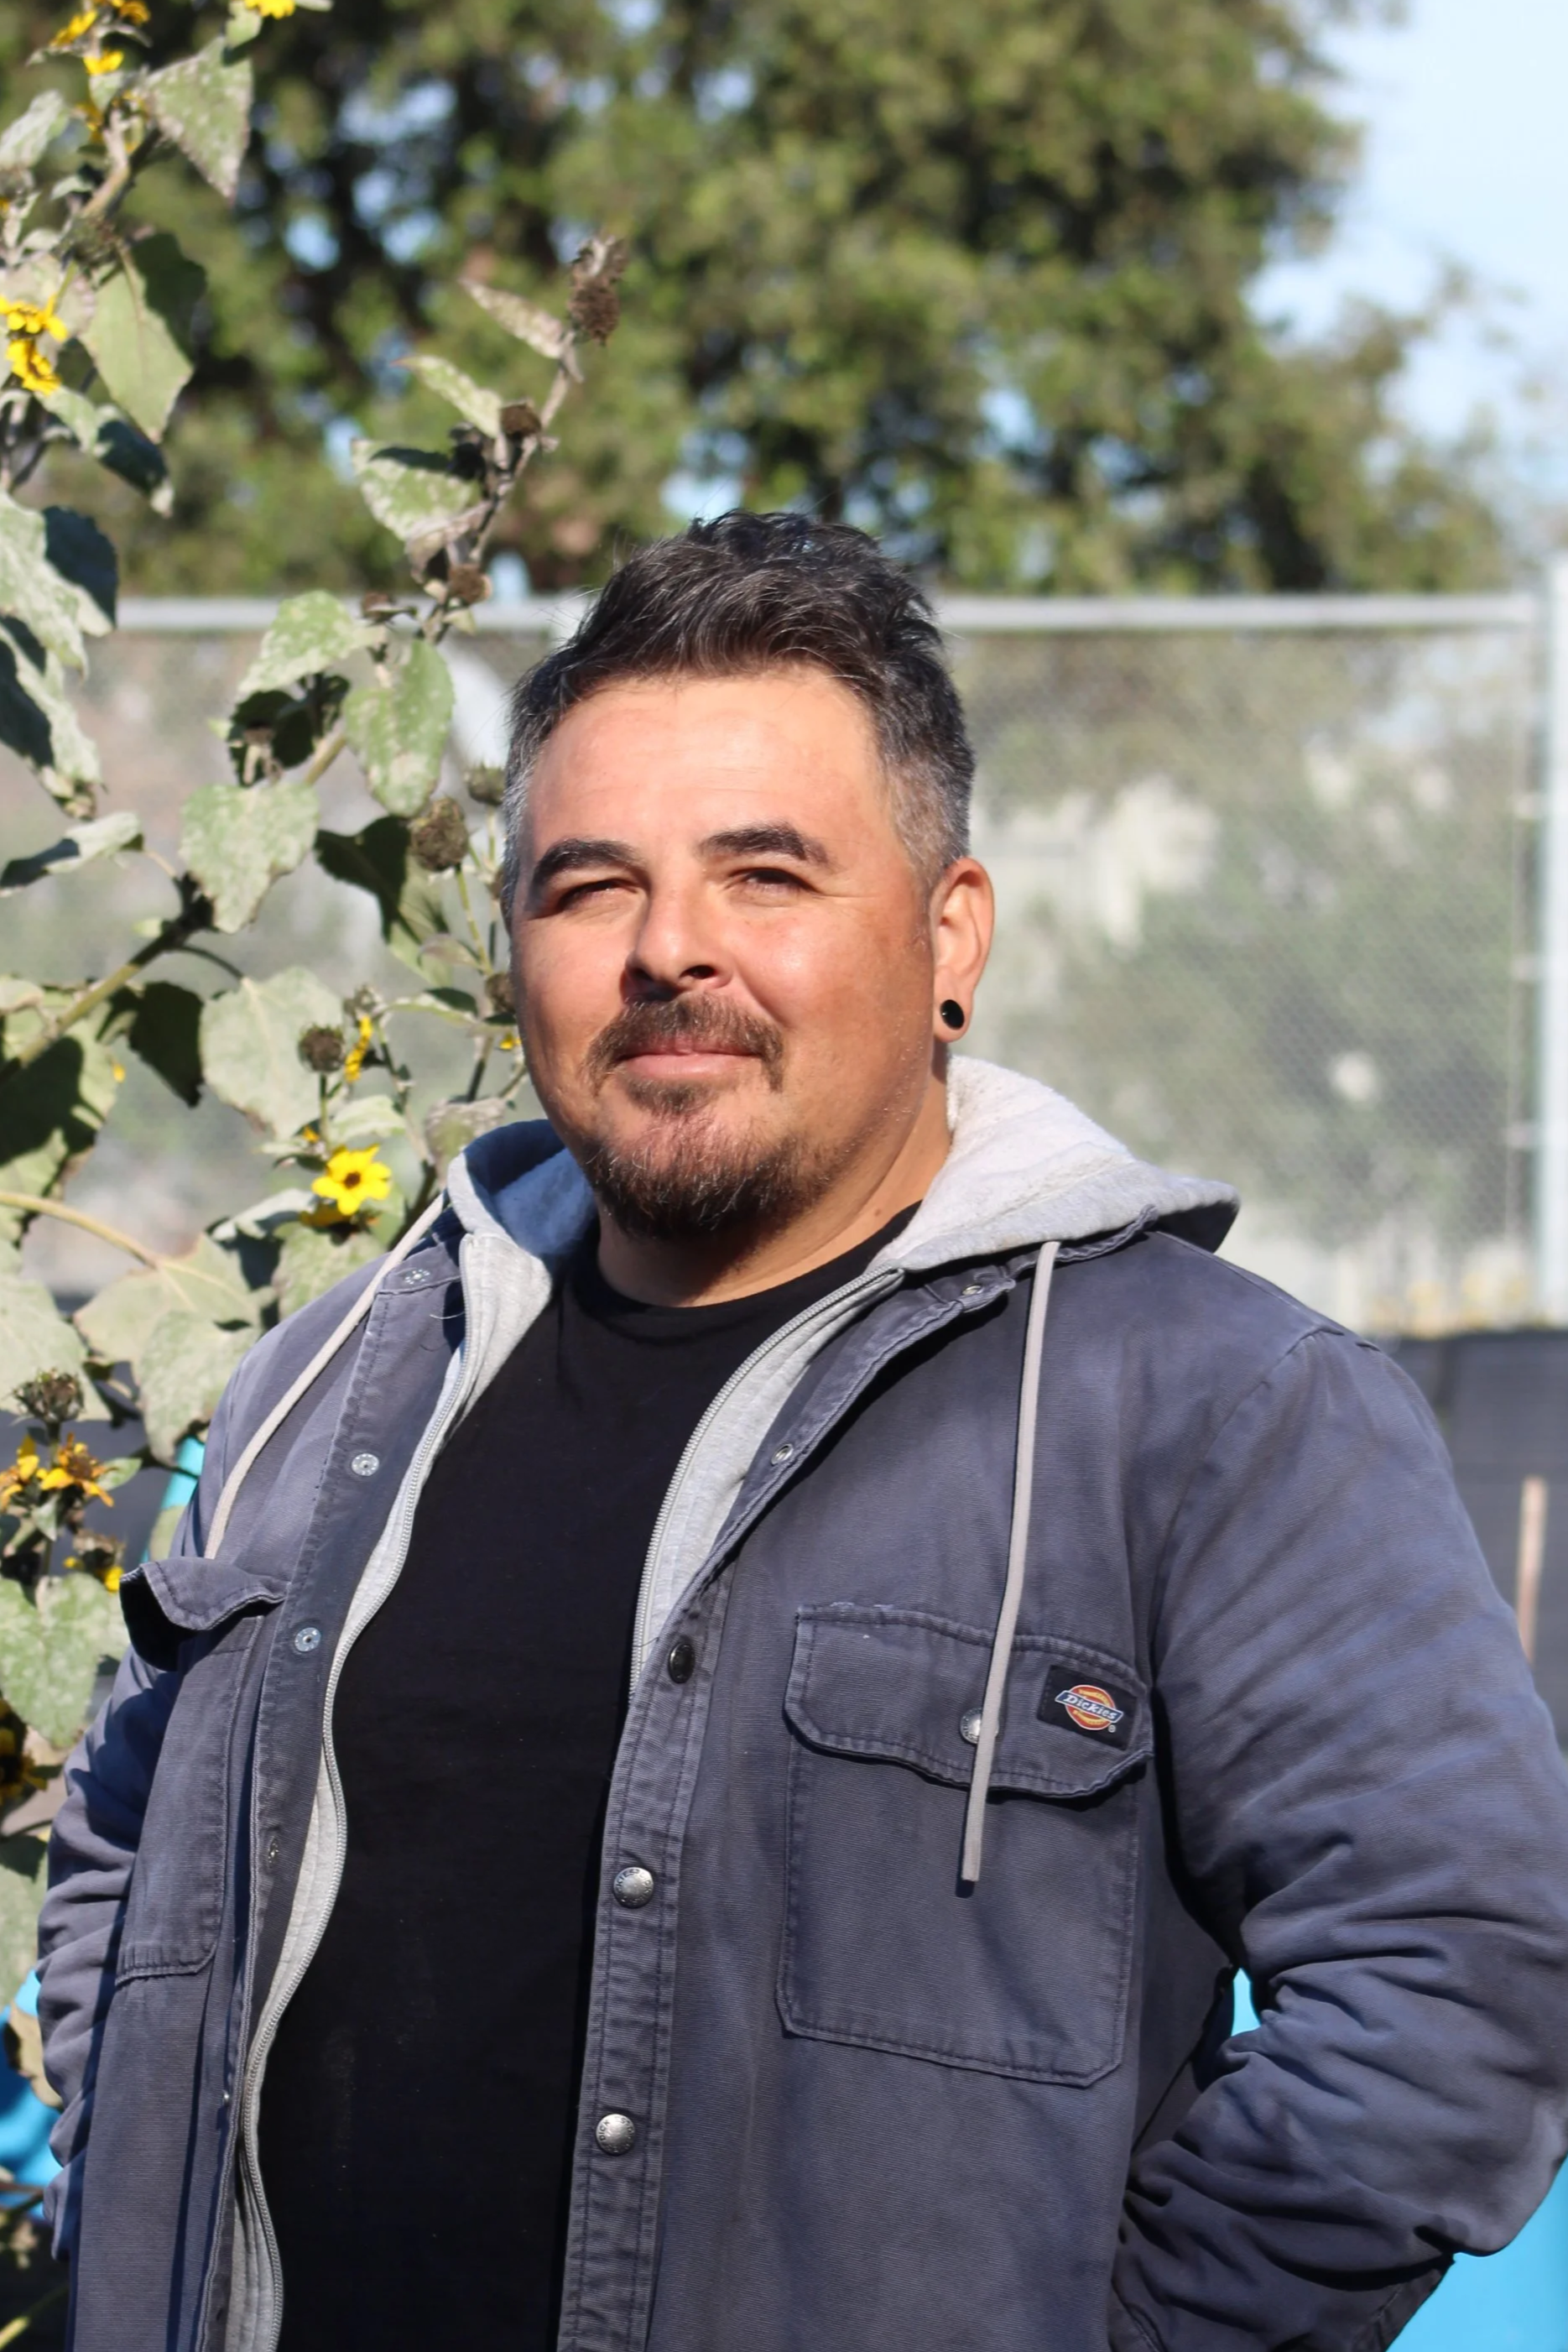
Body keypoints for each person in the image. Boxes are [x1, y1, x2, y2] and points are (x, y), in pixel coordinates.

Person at [36, 513, 1568, 2352]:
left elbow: (1458, 1984)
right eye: (589, 885)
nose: (670, 949)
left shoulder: (1215, 1409)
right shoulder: (333, 1380)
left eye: (765, 874)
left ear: (950, 935)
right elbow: (126, 1851)